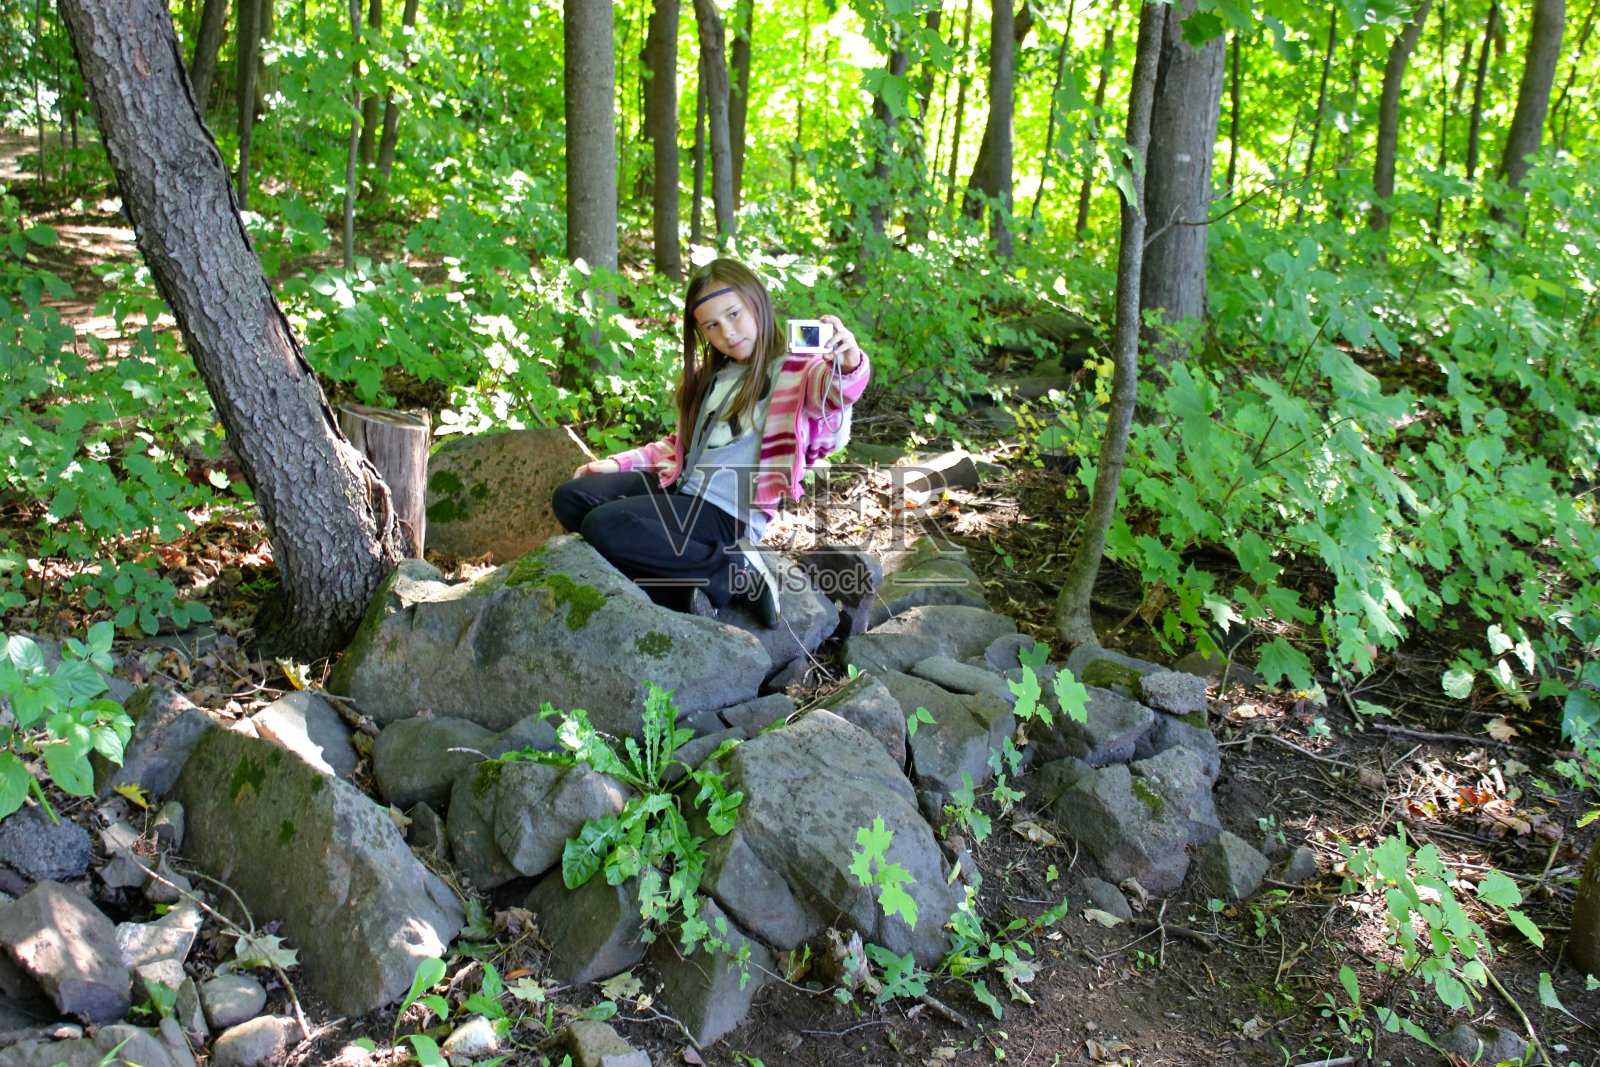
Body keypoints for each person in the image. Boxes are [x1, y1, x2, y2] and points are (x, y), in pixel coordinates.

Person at [551, 258, 870, 627]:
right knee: (571, 497)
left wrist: (847, 364)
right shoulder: (711, 377)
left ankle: (734, 571)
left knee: (605, 525)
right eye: (712, 326)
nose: (728, 333)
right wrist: (618, 464)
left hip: (727, 512)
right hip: (681, 488)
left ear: (757, 302)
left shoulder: (795, 370)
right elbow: (681, 448)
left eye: (734, 314)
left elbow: (832, 400)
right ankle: (684, 592)